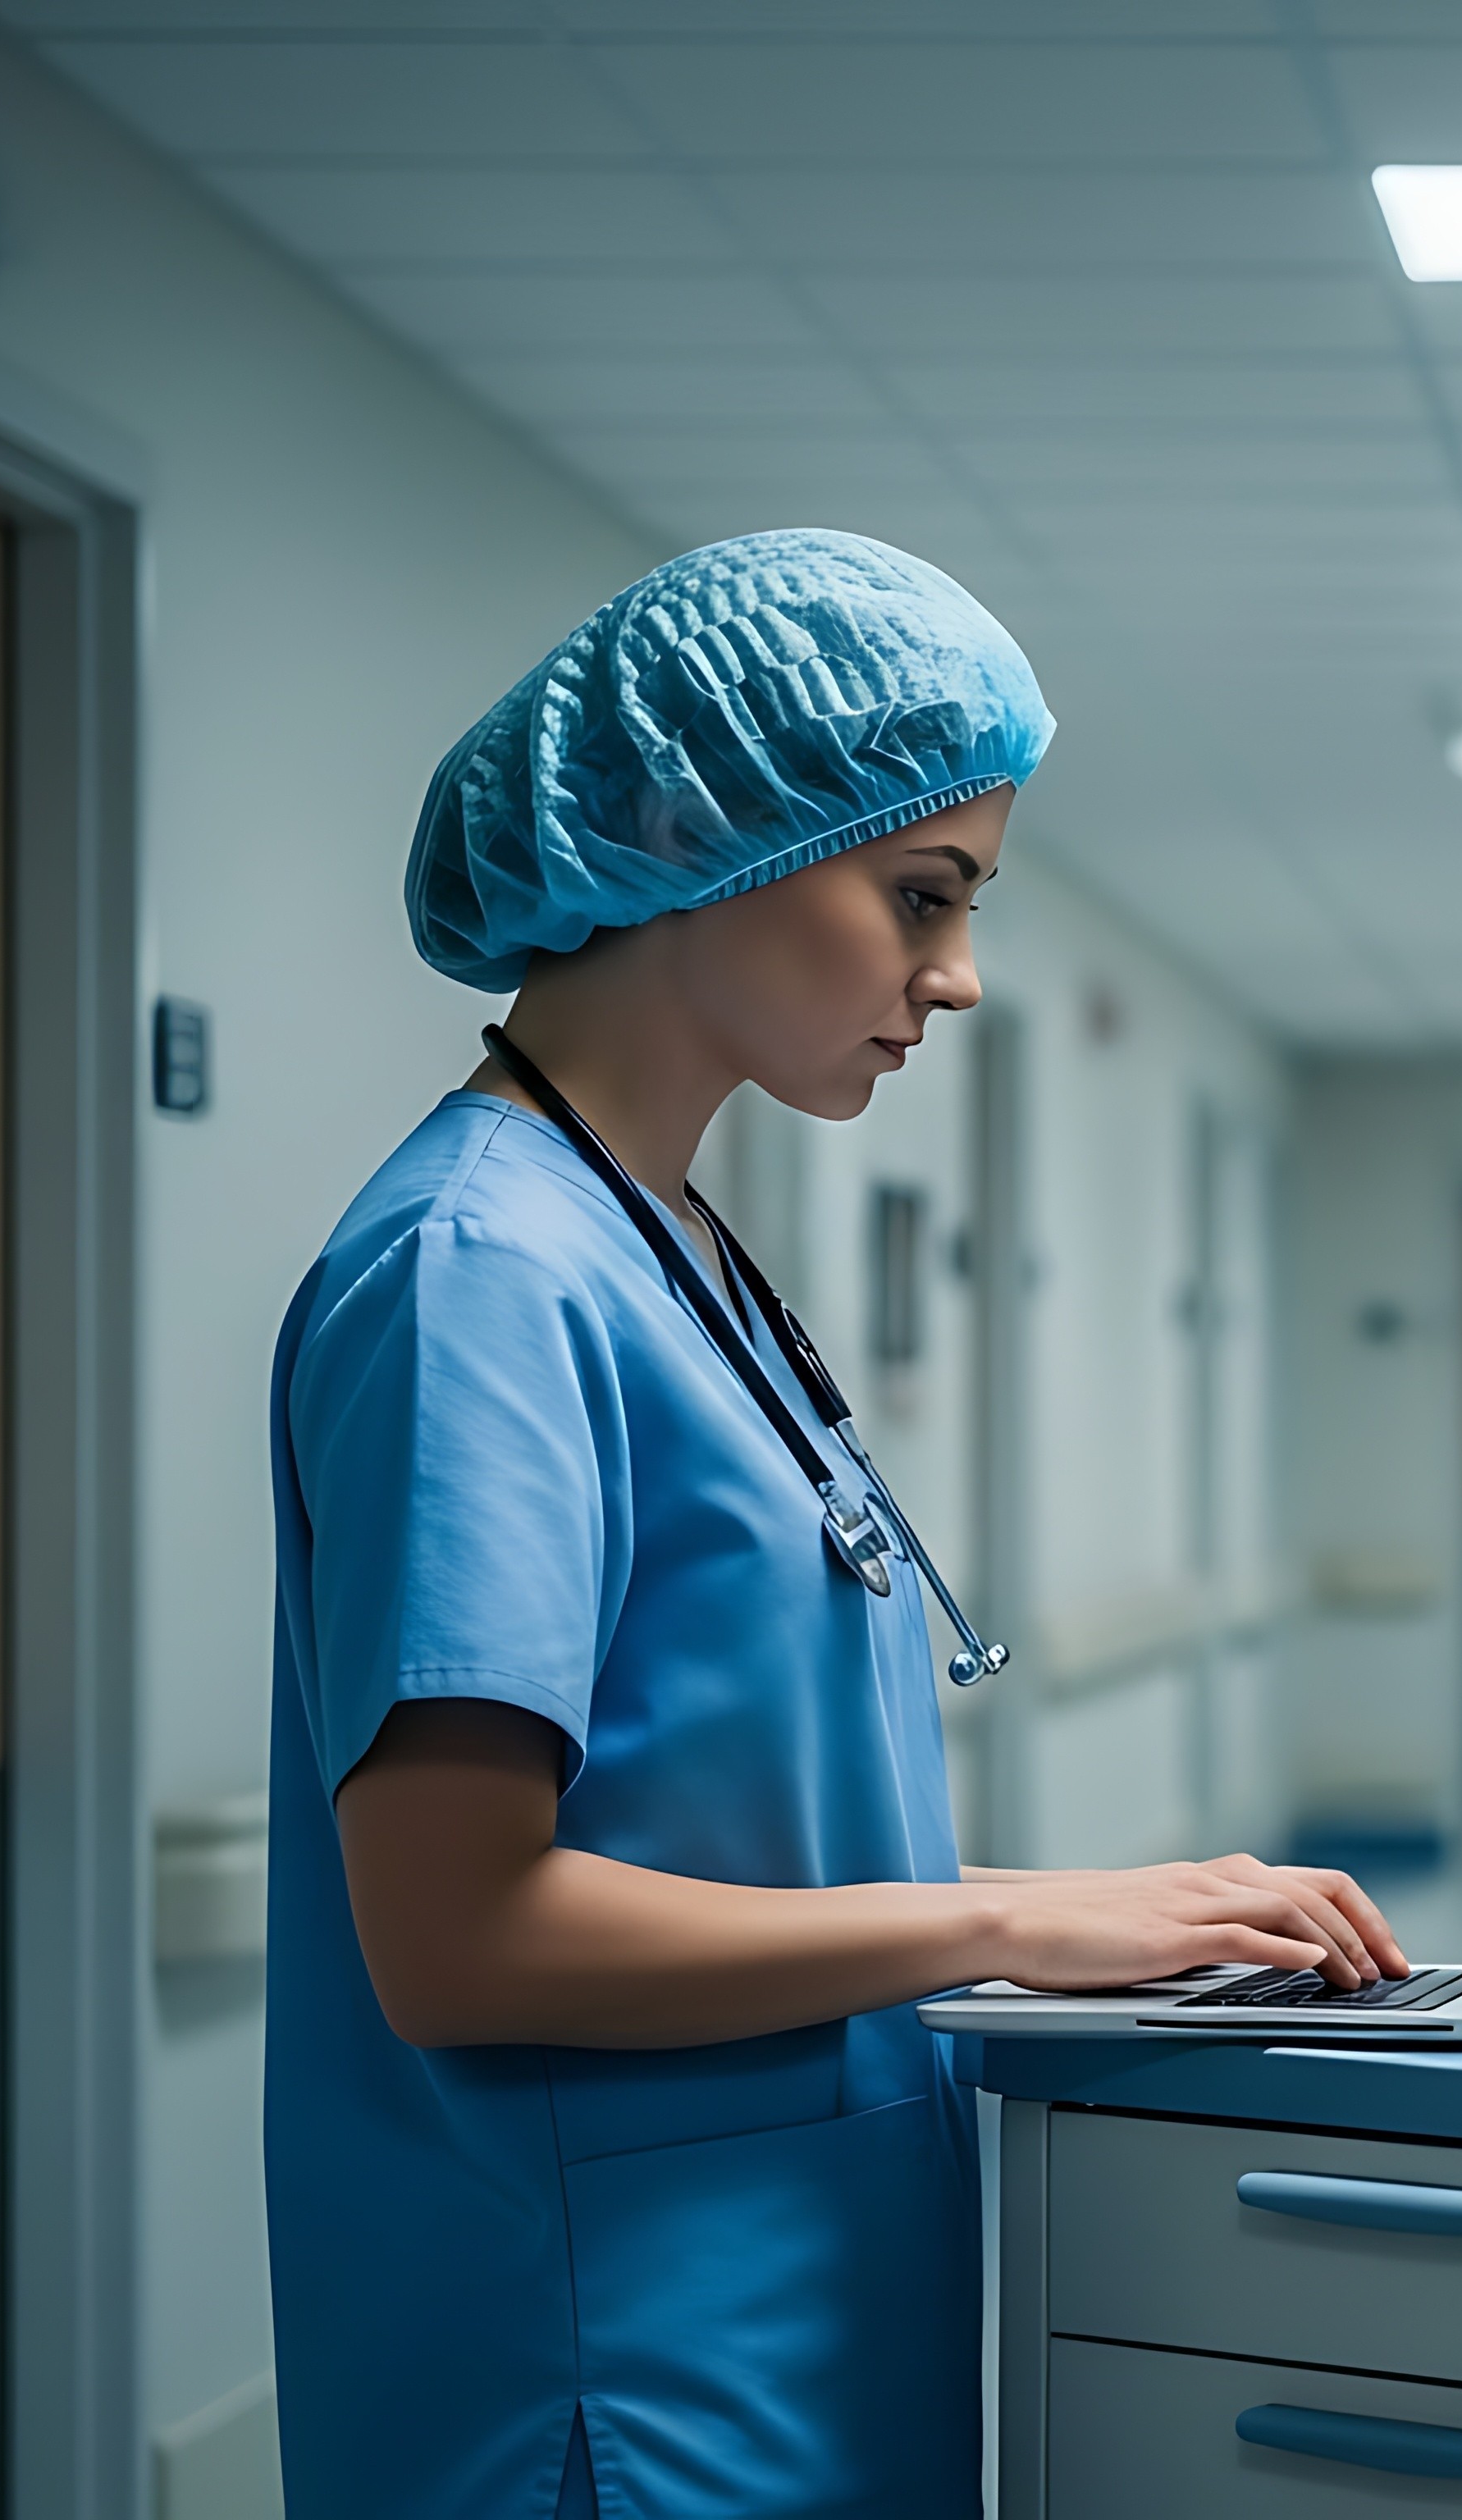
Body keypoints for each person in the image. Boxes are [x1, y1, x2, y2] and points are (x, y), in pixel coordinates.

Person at [263, 530, 1404, 2518]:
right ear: (700, 835)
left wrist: (1111, 1923)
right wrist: (1013, 1925)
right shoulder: (480, 1273)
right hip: (606, 2375)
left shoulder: (661, 1245)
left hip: (789, 2315)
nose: (954, 978)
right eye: (919, 897)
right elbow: (457, 1935)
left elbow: (717, 1827)